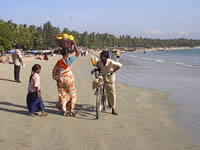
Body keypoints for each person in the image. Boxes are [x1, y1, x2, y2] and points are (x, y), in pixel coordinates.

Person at [52, 40, 80, 116]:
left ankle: (64, 110)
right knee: (72, 94)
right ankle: (71, 109)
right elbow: (78, 53)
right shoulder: (69, 60)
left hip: (60, 81)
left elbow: (55, 70)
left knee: (63, 94)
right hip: (69, 81)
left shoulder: (59, 61)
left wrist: (56, 78)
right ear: (67, 54)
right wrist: (74, 44)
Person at [98, 51, 122, 115]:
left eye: (102, 56)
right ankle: (105, 102)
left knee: (112, 93)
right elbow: (99, 67)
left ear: (106, 57)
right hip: (103, 77)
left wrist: (113, 71)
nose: (101, 57)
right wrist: (97, 70)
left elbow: (120, 65)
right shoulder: (100, 62)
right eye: (101, 56)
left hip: (110, 79)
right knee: (98, 86)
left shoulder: (111, 62)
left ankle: (113, 109)